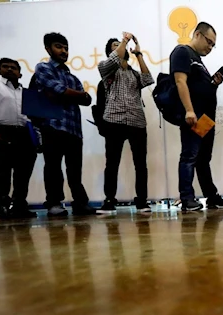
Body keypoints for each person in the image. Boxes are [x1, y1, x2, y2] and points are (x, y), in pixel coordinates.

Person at [170, 22, 223, 211]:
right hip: (195, 116)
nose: (210, 47)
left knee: (203, 158)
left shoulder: (197, 59)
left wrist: (213, 83)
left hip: (205, 118)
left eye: (213, 45)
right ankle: (187, 198)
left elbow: (199, 87)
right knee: (189, 156)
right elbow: (180, 81)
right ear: (197, 34)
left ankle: (211, 196)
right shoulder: (182, 52)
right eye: (209, 42)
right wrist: (189, 110)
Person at [34, 32, 95, 216]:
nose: (64, 51)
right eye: (59, 47)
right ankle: (54, 203)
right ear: (48, 48)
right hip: (52, 126)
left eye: (66, 48)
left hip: (74, 129)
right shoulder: (43, 68)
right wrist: (75, 95)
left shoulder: (72, 77)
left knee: (75, 170)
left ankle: (80, 203)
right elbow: (56, 89)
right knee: (53, 168)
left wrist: (68, 94)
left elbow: (87, 99)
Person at [97, 32, 155, 214]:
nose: (119, 46)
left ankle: (142, 201)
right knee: (112, 162)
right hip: (114, 120)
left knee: (141, 163)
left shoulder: (134, 74)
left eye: (119, 44)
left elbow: (148, 79)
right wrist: (124, 40)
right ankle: (109, 200)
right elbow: (113, 60)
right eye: (115, 45)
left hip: (137, 121)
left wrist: (139, 54)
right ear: (110, 53)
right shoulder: (105, 68)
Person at [0, 58, 37, 219]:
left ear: (20, 73)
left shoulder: (26, 92)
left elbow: (32, 116)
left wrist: (36, 137)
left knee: (23, 173)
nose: (10, 70)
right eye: (6, 67)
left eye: (14, 67)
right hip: (2, 131)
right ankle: (2, 206)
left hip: (25, 132)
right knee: (2, 172)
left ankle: (19, 206)